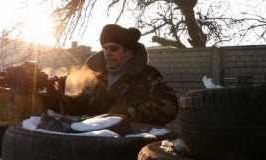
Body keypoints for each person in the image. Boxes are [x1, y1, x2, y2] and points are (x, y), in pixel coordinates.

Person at [47, 24, 178, 126]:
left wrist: (128, 113)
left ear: (128, 51)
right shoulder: (98, 81)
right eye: (105, 48)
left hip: (137, 148)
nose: (107, 52)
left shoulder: (147, 76)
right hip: (102, 147)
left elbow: (169, 106)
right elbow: (80, 104)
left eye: (113, 48)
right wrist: (55, 100)